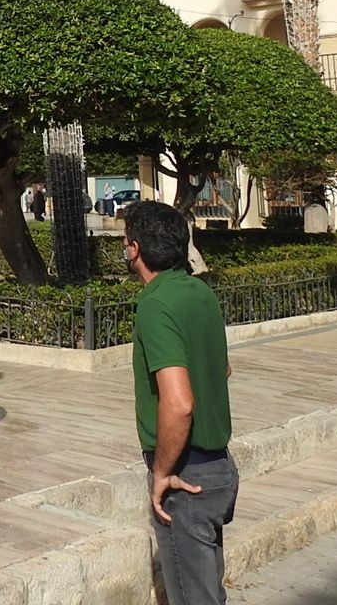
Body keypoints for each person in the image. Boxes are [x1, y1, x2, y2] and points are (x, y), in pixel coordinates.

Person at [123, 200, 237, 605]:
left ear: (133, 249)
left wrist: (162, 473)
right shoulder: (199, 291)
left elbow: (179, 403)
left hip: (185, 475)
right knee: (208, 590)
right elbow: (222, 369)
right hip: (219, 467)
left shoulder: (155, 303)